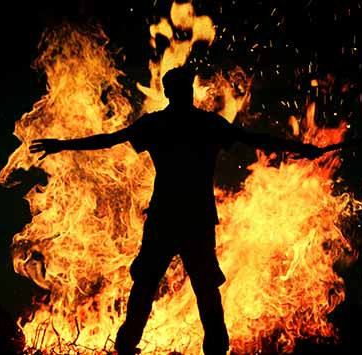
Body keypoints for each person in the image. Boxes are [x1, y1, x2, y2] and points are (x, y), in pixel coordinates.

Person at [29, 66, 328, 355]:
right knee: (201, 286)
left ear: (169, 92)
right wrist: (303, 149)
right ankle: (212, 348)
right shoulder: (207, 124)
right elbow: (255, 139)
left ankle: (127, 346)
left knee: (151, 283)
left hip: (166, 217)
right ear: (187, 91)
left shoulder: (157, 124)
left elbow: (110, 140)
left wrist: (62, 145)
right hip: (193, 218)